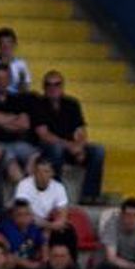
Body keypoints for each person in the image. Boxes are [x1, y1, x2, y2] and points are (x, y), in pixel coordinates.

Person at [31, 71, 104, 204]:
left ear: (62, 86)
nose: (53, 88)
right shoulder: (38, 105)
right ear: (43, 87)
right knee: (56, 150)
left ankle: (90, 195)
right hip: (48, 148)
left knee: (98, 151)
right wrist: (70, 146)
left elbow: (80, 130)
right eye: (49, 84)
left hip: (71, 147)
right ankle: (55, 192)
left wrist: (80, 147)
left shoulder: (72, 104)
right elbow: (44, 134)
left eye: (57, 84)